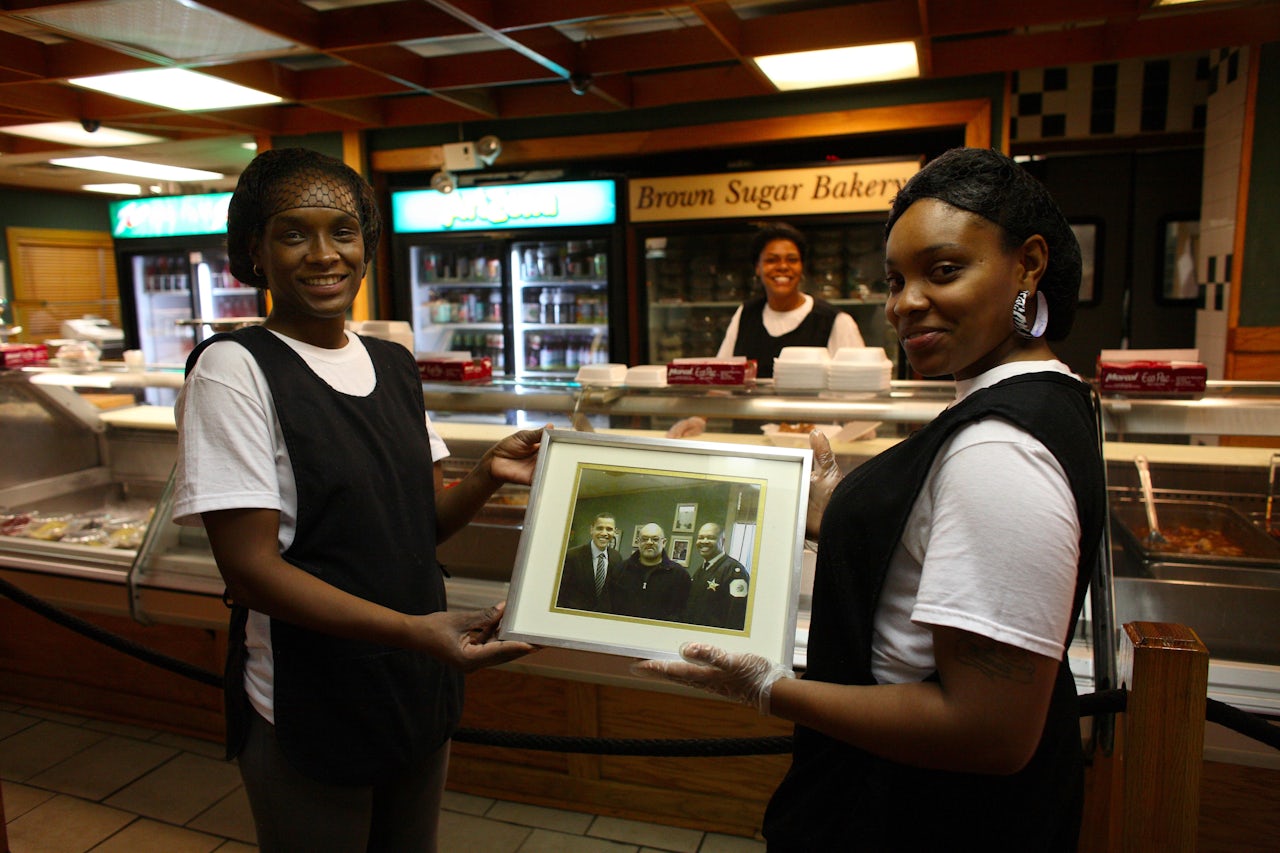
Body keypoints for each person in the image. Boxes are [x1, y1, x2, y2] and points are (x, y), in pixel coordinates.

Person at [635, 147, 1105, 851]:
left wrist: (767, 687)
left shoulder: (998, 448)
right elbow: (934, 564)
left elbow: (988, 732)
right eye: (893, 280)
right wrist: (840, 520)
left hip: (923, 815)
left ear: (1028, 265)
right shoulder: (1037, 396)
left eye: (943, 270)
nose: (905, 302)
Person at [171, 147, 540, 853]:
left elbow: (424, 523)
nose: (323, 254)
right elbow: (249, 570)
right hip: (311, 700)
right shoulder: (233, 368)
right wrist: (414, 630)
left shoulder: (393, 362)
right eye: (292, 232)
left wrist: (487, 473)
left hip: (414, 684)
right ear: (255, 248)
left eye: (343, 231)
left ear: (366, 244)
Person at [668, 221, 864, 437]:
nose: (782, 267)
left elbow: (857, 392)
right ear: (758, 268)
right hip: (750, 445)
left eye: (792, 260)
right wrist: (698, 419)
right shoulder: (745, 314)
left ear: (801, 267)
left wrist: (858, 431)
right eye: (772, 260)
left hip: (812, 448)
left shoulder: (835, 321)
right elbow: (722, 380)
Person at [612, 522, 691, 622]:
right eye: (644, 539)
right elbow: (611, 606)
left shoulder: (680, 575)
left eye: (655, 539)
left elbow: (683, 613)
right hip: (624, 632)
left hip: (662, 634)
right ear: (638, 542)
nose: (649, 542)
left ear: (664, 542)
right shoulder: (621, 570)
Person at [683, 522, 749, 630]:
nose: (704, 541)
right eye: (701, 538)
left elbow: (737, 615)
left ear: (722, 541)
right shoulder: (702, 569)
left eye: (710, 538)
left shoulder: (735, 571)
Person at [556, 511, 623, 613]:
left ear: (614, 532)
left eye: (609, 529)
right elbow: (560, 593)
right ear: (592, 530)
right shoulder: (572, 556)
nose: (604, 533)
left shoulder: (617, 557)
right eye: (600, 528)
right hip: (574, 616)